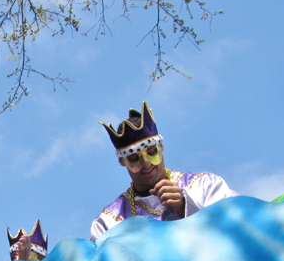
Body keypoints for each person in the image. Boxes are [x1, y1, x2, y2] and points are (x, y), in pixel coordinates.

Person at [91, 102, 238, 241]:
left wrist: (187, 207)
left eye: (151, 151)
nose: (147, 165)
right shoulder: (109, 221)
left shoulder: (205, 186)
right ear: (122, 162)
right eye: (135, 158)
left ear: (161, 147)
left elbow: (240, 226)